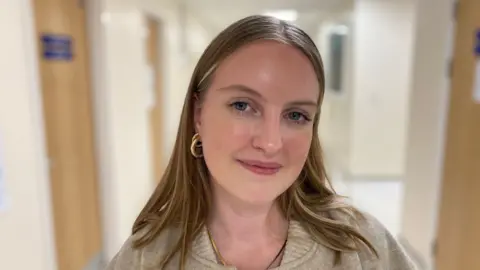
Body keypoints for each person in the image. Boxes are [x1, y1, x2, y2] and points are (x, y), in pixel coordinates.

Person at [106, 15, 416, 270]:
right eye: (243, 105)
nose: (270, 143)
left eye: (296, 115)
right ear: (199, 113)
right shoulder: (146, 258)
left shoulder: (360, 246)